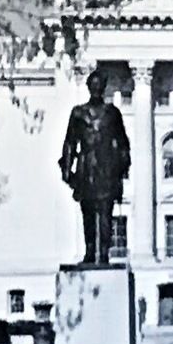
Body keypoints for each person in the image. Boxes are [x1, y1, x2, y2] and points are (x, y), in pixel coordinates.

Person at [58, 84, 131, 264]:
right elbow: (70, 142)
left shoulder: (112, 113)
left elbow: (123, 142)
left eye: (100, 86)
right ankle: (89, 252)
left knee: (106, 213)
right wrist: (67, 168)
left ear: (104, 88)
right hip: (86, 167)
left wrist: (122, 168)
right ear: (89, 87)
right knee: (88, 212)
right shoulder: (78, 113)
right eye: (94, 86)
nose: (97, 90)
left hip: (107, 168)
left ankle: (104, 254)